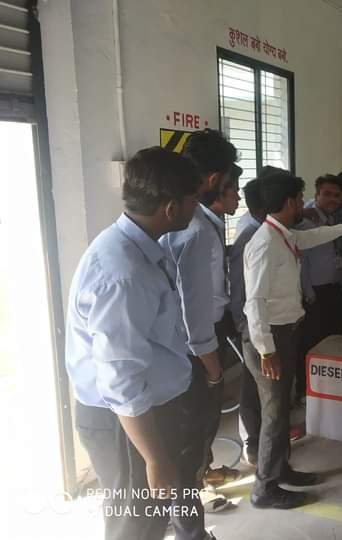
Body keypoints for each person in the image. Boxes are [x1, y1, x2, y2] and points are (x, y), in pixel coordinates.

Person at [65, 147, 212, 540]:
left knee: (150, 518)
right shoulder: (124, 273)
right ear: (170, 208)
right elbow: (121, 380)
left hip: (145, 413)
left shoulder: (138, 247)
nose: (196, 210)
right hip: (127, 424)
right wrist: (154, 457)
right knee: (136, 525)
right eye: (193, 201)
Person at [243, 170, 342, 509]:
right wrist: (267, 350)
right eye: (298, 199)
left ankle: (281, 470)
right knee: (274, 414)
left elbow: (309, 238)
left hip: (284, 333)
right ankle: (265, 489)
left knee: (280, 410)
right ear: (288, 202)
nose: (302, 205)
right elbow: (254, 303)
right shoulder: (264, 244)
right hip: (269, 338)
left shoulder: (283, 235)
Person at [159, 129, 241, 490]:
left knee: (191, 430)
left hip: (182, 340)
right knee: (196, 425)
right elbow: (193, 309)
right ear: (213, 179)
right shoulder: (196, 230)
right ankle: (190, 500)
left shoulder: (183, 221)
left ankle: (198, 476)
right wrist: (213, 369)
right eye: (228, 181)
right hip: (195, 346)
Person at [296, 175, 342, 402]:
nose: (332, 199)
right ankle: (305, 390)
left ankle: (327, 386)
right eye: (326, 194)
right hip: (315, 293)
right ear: (316, 195)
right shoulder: (307, 223)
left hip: (332, 288)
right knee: (311, 342)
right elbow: (302, 263)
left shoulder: (330, 219)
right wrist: (309, 294)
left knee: (331, 339)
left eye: (336, 195)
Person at [228, 177, 265, 466]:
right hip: (250, 323)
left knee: (263, 384)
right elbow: (238, 287)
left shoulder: (265, 232)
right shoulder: (249, 237)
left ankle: (263, 437)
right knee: (252, 384)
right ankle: (252, 443)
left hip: (261, 321)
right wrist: (243, 323)